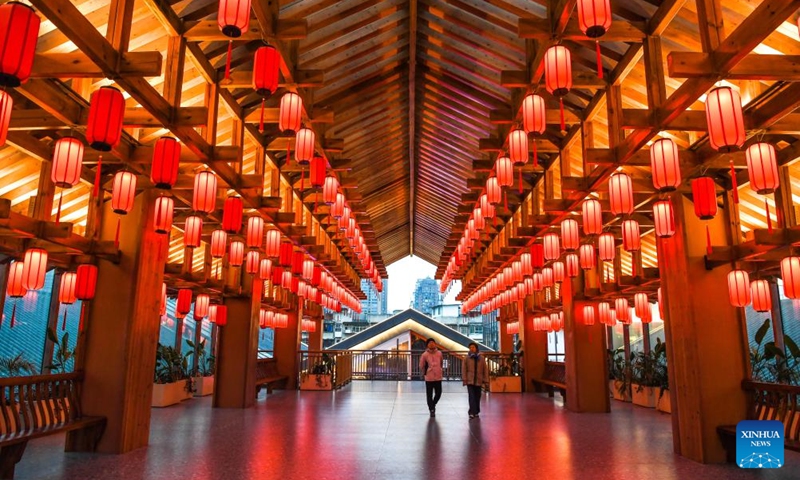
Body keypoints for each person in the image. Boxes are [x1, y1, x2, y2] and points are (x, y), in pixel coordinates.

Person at [461, 342, 488, 419]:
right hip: (470, 380)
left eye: (473, 347)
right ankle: (472, 412)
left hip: (478, 380)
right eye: (470, 347)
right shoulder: (466, 358)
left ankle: (476, 411)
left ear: (476, 348)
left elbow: (485, 369)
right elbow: (464, 369)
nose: (472, 348)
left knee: (477, 396)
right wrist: (464, 378)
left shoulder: (481, 358)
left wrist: (486, 380)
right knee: (471, 396)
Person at [419, 337, 443, 417]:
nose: (431, 344)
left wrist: (440, 370)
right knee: (429, 394)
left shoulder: (439, 353)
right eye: (429, 343)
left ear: (435, 344)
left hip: (438, 377)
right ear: (427, 345)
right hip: (429, 377)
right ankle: (431, 409)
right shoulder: (425, 355)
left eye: (433, 342)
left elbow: (441, 363)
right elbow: (421, 365)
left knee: (438, 393)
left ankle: (433, 404)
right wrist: (425, 373)